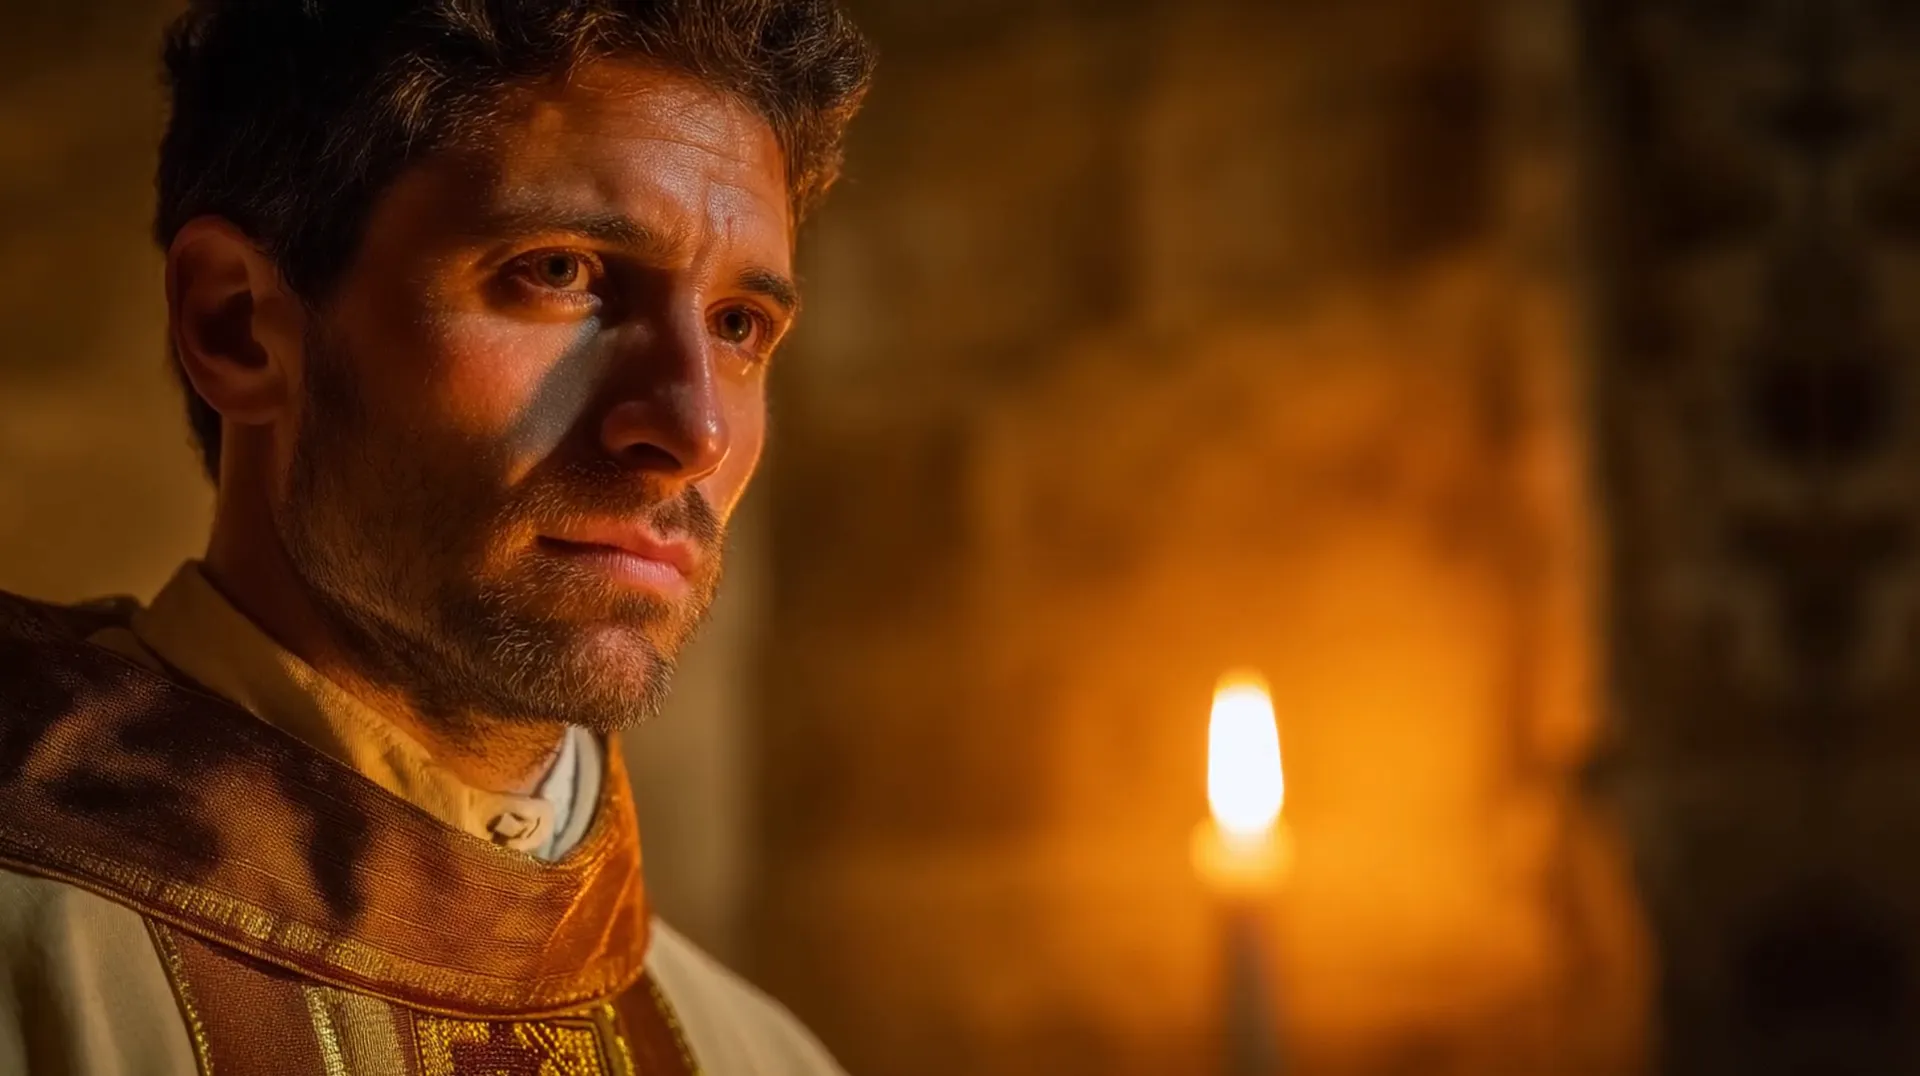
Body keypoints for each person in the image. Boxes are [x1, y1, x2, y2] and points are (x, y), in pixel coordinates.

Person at [0, 1, 872, 1072]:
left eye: (740, 326)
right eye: (561, 273)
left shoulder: (765, 1055)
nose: (691, 427)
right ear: (236, 323)